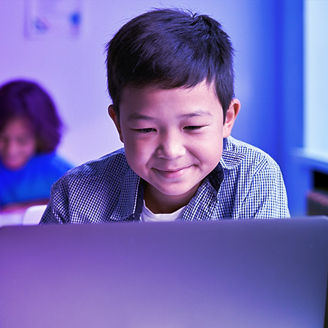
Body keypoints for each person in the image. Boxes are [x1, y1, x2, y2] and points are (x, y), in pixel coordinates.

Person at [41, 8, 289, 224]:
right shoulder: (75, 194)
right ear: (118, 123)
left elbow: (270, 276)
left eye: (192, 127)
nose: (171, 150)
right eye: (146, 130)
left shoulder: (254, 175)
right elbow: (41, 277)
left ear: (227, 119)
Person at [0, 79, 73, 212]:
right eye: (2, 138)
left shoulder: (59, 172)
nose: (11, 150)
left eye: (22, 140)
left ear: (40, 137)